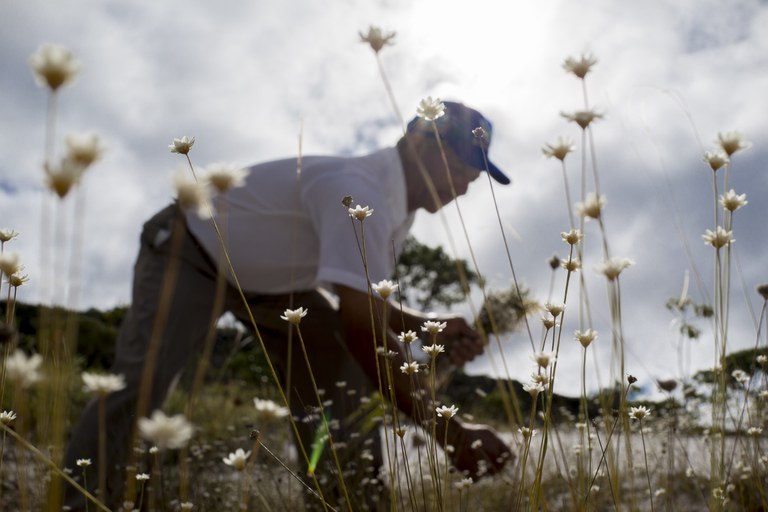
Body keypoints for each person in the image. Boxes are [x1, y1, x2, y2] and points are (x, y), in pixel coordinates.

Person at [64, 101, 513, 510]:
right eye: (460, 170)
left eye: (472, 180)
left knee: (337, 368)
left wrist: (430, 325)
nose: (463, 188)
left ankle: (347, 501)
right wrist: (451, 433)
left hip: (279, 286)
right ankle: (81, 502)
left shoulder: (399, 208)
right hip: (193, 250)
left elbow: (360, 301)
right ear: (418, 146)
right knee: (141, 383)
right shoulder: (360, 192)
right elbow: (366, 332)